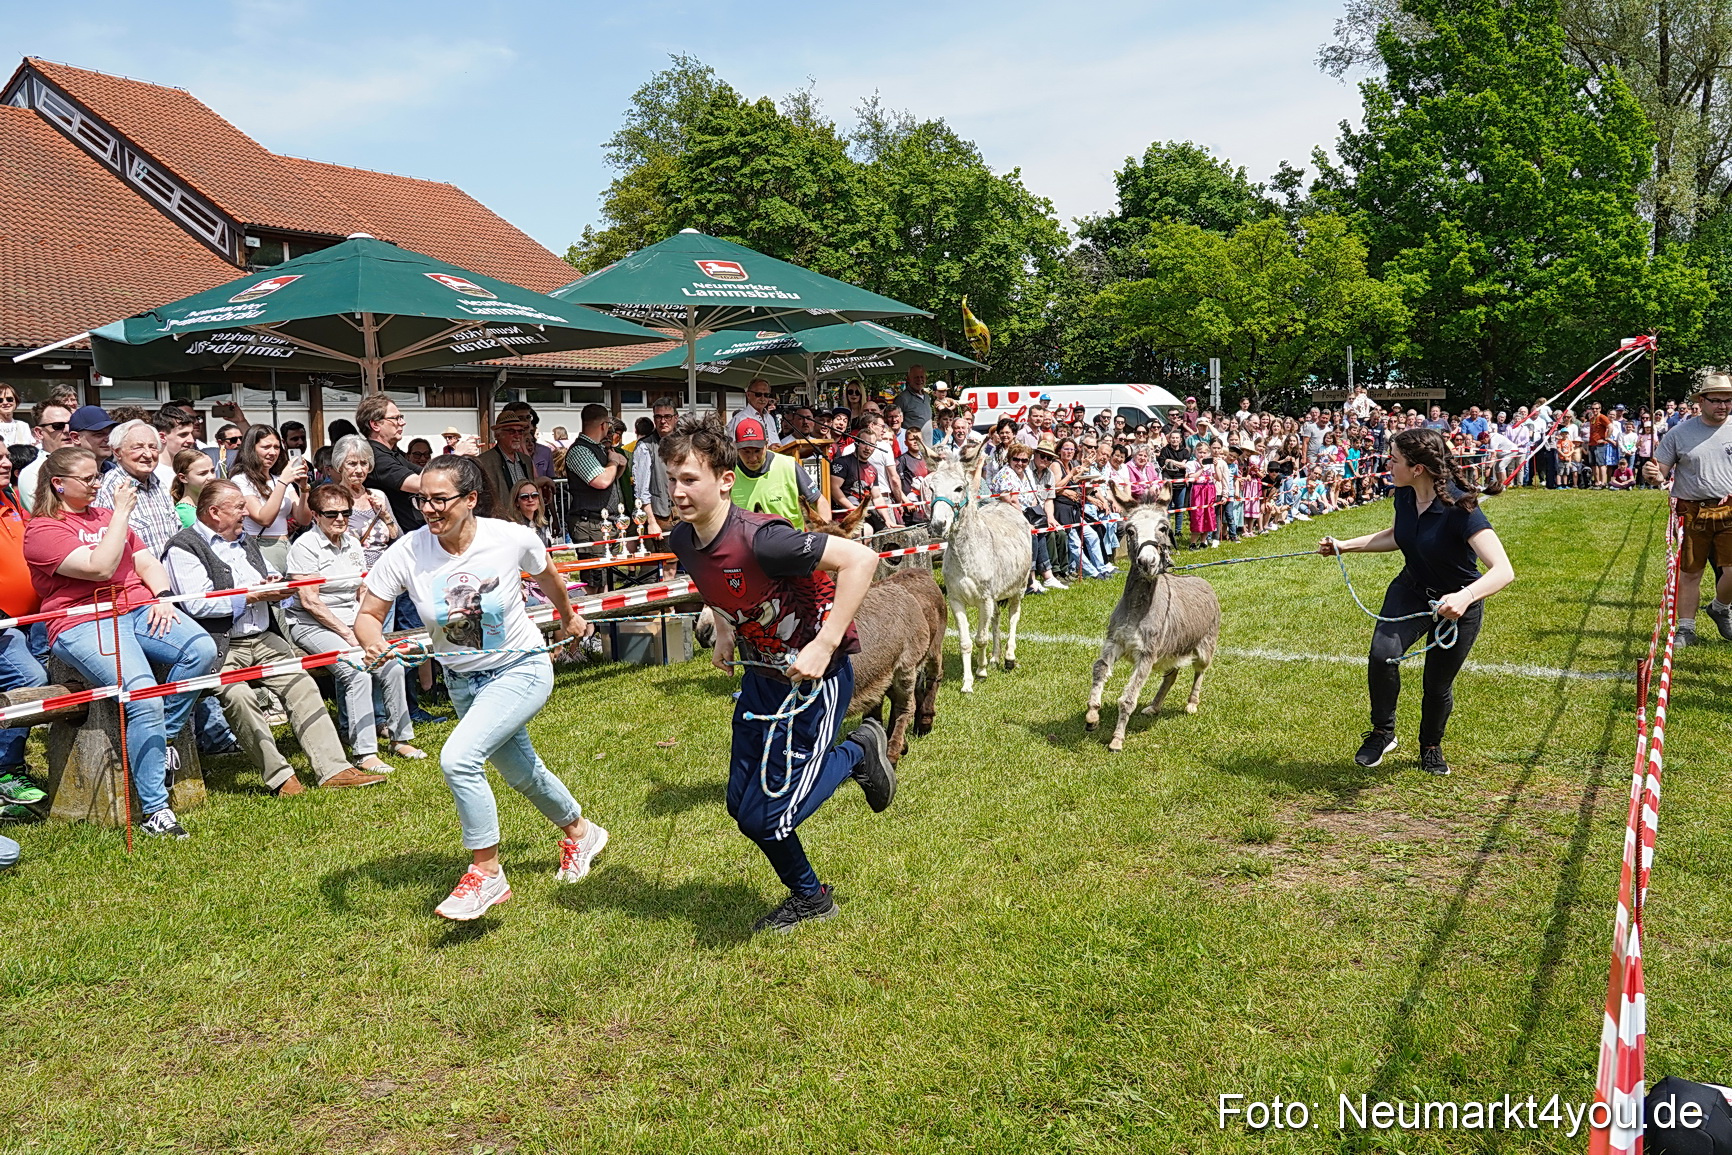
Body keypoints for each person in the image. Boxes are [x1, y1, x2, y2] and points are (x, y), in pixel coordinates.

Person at [660, 417, 895, 933]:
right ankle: (811, 897)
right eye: (672, 478)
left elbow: (861, 559)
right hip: (762, 677)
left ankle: (858, 749)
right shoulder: (683, 539)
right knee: (741, 806)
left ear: (725, 480)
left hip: (816, 683)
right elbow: (716, 583)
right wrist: (724, 630)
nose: (677, 491)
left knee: (768, 816)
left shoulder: (764, 540)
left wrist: (824, 643)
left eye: (690, 479)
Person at [354, 455, 605, 921]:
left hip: (521, 668)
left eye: (440, 499)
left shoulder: (509, 538)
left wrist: (568, 615)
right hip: (462, 681)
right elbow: (367, 617)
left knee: (458, 758)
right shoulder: (408, 552)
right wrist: (373, 645)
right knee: (522, 773)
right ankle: (581, 832)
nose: (428, 509)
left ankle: (486, 873)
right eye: (422, 499)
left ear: (470, 500)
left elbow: (547, 574)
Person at [23, 447, 219, 838]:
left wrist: (162, 595)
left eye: (98, 476)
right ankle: (155, 810)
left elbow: (145, 562)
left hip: (138, 608)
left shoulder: (107, 516)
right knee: (142, 694)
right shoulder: (43, 530)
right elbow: (101, 567)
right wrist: (123, 515)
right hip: (83, 620)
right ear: (59, 484)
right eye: (89, 479)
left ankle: (162, 737)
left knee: (201, 650)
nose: (98, 484)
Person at [165, 481, 385, 797]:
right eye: (239, 507)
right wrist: (253, 596)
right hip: (219, 647)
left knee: (304, 685)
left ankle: (335, 769)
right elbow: (197, 604)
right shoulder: (184, 548)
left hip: (265, 638)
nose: (246, 512)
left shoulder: (245, 540)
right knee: (240, 698)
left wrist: (275, 584)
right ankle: (281, 778)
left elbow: (270, 577)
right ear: (214, 512)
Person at [1319, 427, 1515, 777]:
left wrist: (1465, 597)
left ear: (1417, 468)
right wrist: (1344, 545)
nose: (1387, 465)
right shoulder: (1405, 495)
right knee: (1382, 654)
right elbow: (1397, 535)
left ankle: (1430, 746)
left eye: (1393, 460)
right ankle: (1383, 732)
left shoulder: (1461, 508)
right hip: (1411, 589)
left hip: (1458, 603)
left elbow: (1503, 570)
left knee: (1436, 684)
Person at [286, 483, 422, 773]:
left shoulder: (351, 542)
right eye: (331, 513)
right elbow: (310, 602)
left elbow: (362, 590)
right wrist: (348, 634)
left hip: (350, 619)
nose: (340, 519)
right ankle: (365, 752)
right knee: (357, 671)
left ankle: (401, 738)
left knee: (392, 664)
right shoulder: (304, 547)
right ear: (315, 515)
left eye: (346, 513)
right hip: (312, 625)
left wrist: (365, 629)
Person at [1643, 372, 1732, 646]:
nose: (1723, 406)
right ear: (1702, 401)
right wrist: (1652, 474)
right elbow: (1661, 473)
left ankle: (1719, 608)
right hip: (1692, 512)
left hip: (1730, 510)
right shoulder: (1679, 433)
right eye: (1716, 400)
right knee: (1690, 572)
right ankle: (1686, 629)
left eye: (1728, 401)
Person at [0, 447, 46, 813]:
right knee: (28, 678)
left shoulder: (11, 499)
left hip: (33, 621)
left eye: (4, 455)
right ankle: (6, 774)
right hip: (6, 629)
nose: (5, 462)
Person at [92, 421, 180, 557]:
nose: (148, 454)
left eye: (153, 447)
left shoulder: (158, 484)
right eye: (138, 447)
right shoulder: (108, 491)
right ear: (117, 451)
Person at [232, 425, 309, 573]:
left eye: (277, 447)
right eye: (266, 447)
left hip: (287, 545)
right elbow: (264, 519)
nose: (272, 453)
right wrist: (283, 483)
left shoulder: (280, 479)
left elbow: (303, 519)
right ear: (251, 448)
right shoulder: (241, 480)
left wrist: (304, 488)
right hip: (261, 547)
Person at [563, 403, 630, 555]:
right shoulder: (580, 450)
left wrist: (620, 466)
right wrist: (613, 462)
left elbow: (610, 479)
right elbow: (602, 481)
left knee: (608, 575)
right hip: (590, 524)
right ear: (603, 425)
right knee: (597, 576)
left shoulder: (598, 448)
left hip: (603, 523)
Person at [731, 417, 817, 524]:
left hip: (790, 538)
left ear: (767, 444)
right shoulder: (729, 472)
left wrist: (825, 532)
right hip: (747, 539)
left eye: (758, 451)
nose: (753, 458)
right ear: (735, 447)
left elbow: (819, 501)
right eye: (746, 451)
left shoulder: (788, 466)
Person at [476, 404, 544, 522]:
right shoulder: (484, 461)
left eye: (520, 431)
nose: (517, 435)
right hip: (501, 523)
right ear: (498, 435)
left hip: (525, 521)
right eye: (512, 431)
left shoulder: (525, 460)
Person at [633, 397, 677, 540]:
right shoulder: (644, 446)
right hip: (660, 515)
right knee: (666, 562)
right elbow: (641, 490)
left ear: (676, 418)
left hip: (684, 513)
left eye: (667, 417)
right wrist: (651, 521)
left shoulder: (684, 442)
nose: (663, 421)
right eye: (658, 417)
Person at [17, 401, 71, 502]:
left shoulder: (88, 462)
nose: (67, 430)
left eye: (71, 424)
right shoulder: (32, 474)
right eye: (58, 425)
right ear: (39, 433)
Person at [171, 449, 215, 528]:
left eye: (212, 471)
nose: (211, 477)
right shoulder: (185, 512)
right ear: (183, 478)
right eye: (202, 473)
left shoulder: (210, 504)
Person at [69, 406, 117, 474]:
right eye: (99, 434)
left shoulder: (113, 470)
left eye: (111, 433)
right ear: (76, 437)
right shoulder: (64, 473)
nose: (108, 439)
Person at [509, 479, 552, 545]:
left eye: (534, 495)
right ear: (516, 502)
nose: (530, 499)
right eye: (525, 497)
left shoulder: (542, 523)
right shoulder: (512, 526)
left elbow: (546, 551)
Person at [893, 364, 933, 433]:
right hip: (911, 442)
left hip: (927, 442)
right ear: (908, 379)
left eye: (922, 377)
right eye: (916, 377)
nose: (919, 380)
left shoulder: (927, 396)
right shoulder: (902, 399)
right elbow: (894, 422)